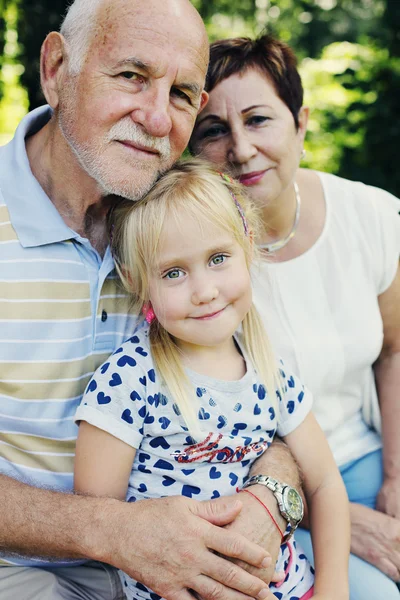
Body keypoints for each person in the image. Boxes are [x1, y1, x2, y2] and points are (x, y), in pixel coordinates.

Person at [0, 3, 302, 598]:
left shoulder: (183, 231)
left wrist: (271, 497)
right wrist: (114, 531)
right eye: (132, 76)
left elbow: (260, 397)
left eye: (184, 94)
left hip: (178, 566)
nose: (158, 117)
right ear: (57, 68)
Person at [73, 159, 350, 600]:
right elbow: (97, 521)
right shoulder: (129, 380)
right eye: (174, 273)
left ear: (248, 246)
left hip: (292, 589)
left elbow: (324, 482)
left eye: (218, 259)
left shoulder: (268, 370)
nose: (203, 290)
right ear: (135, 280)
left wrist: (336, 589)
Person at [189, 33, 400, 599]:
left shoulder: (372, 217)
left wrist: (395, 483)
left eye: (259, 120)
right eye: (214, 131)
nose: (240, 149)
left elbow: (395, 347)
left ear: (300, 122)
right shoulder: (191, 264)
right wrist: (352, 524)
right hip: (269, 496)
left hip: (371, 458)